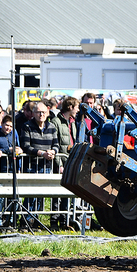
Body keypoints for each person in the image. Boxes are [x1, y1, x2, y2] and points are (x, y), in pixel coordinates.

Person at [20, 102, 59, 228]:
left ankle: (35, 219)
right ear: (33, 113)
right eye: (38, 112)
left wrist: (53, 151)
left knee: (41, 195)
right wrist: (42, 153)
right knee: (31, 194)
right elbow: (25, 146)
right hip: (32, 165)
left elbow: (56, 144)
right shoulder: (27, 126)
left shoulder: (52, 126)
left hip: (47, 165)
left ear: (47, 113)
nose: (41, 114)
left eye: (43, 112)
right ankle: (25, 220)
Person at [49, 97, 79, 230]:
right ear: (71, 107)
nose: (78, 110)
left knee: (67, 191)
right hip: (61, 161)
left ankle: (64, 219)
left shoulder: (72, 122)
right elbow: (55, 144)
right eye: (76, 107)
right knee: (57, 193)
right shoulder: (56, 122)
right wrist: (58, 164)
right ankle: (55, 220)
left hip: (69, 161)